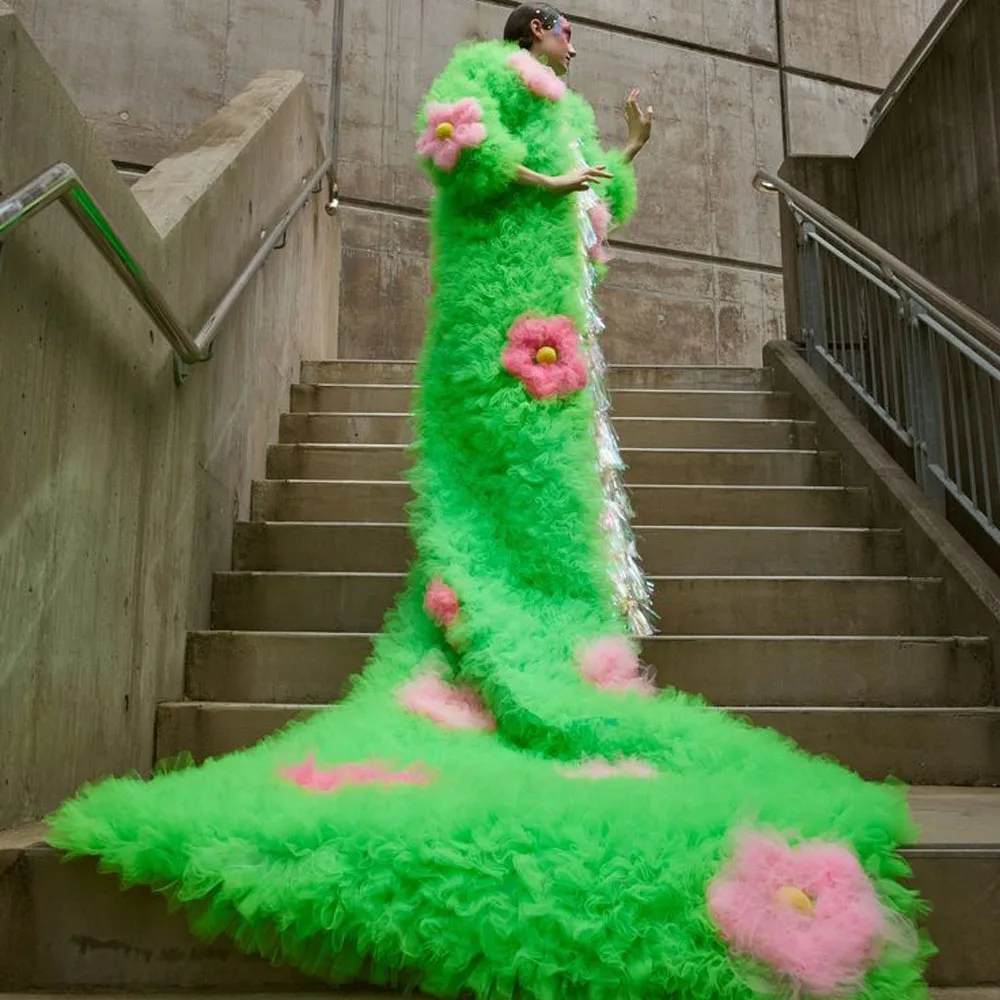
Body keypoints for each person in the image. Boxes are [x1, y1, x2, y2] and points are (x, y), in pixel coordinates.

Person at [48, 7, 930, 1000]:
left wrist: (626, 149)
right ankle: (504, 614)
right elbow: (460, 146)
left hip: (552, 328)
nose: (573, 42)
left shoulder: (567, 110)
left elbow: (595, 195)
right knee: (506, 459)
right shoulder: (491, 72)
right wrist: (548, 181)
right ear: (531, 31)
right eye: (562, 27)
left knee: (556, 469)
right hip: (504, 315)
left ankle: (555, 614)